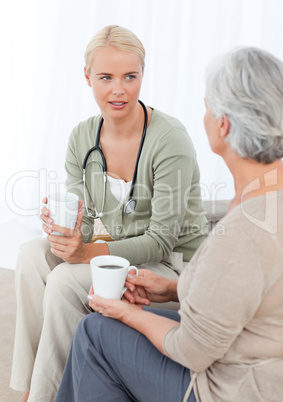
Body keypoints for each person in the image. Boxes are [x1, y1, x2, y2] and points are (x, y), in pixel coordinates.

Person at [55, 46, 283, 402]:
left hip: (235, 386)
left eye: (207, 107)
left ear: (223, 125)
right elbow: (245, 290)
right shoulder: (262, 203)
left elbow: (192, 350)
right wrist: (173, 289)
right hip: (252, 352)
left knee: (95, 334)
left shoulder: (245, 230)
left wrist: (127, 313)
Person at [10, 25, 208, 402]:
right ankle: (28, 390)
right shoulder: (82, 137)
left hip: (169, 265)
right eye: (106, 77)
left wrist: (85, 254)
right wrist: (64, 232)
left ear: (141, 76)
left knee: (67, 281)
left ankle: (47, 397)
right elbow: (85, 221)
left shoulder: (169, 139)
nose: (119, 90)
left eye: (129, 77)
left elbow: (160, 241)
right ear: (87, 78)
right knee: (32, 256)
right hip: (119, 250)